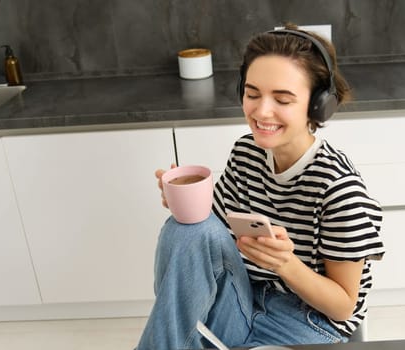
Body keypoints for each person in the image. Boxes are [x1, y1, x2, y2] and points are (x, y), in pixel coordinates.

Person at [138, 24, 384, 349]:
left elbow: (342, 306)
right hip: (245, 300)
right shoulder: (246, 153)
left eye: (282, 99)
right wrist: (185, 202)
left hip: (309, 322)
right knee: (185, 229)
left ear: (318, 105)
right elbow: (211, 237)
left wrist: (286, 264)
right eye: (252, 93)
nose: (261, 111)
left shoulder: (339, 190)